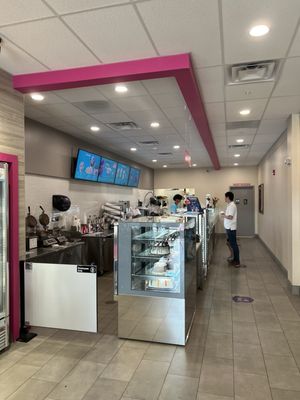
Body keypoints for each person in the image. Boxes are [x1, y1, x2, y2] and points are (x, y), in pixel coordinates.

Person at [222, 191, 240, 268]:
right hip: (229, 227)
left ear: (228, 197)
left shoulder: (232, 206)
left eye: (225, 197)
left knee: (234, 245)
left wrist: (223, 215)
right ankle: (234, 258)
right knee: (231, 244)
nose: (225, 198)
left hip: (231, 228)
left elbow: (230, 217)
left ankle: (237, 261)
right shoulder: (229, 205)